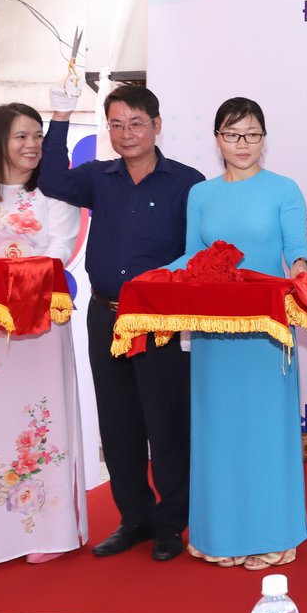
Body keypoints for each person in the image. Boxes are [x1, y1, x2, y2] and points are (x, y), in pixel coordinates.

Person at [41, 84, 203, 562]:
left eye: (136, 123)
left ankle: (172, 523)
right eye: (116, 124)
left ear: (157, 125)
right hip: (106, 315)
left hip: (160, 320)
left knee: (166, 423)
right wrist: (62, 115)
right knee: (118, 423)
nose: (127, 133)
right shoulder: (97, 177)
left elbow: (198, 252)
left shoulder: (188, 183)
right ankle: (135, 518)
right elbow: (51, 179)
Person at [171, 98, 307, 569]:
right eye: (232, 135)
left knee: (266, 433)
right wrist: (148, 280)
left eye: (252, 134)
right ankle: (219, 535)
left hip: (267, 330)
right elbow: (192, 257)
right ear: (217, 140)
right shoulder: (201, 194)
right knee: (219, 432)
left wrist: (298, 272)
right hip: (215, 333)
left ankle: (274, 533)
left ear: (264, 139)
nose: (243, 144)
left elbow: (296, 251)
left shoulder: (284, 189)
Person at [0, 103, 88, 565]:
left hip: (41, 327)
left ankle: (46, 533)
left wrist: (9, 283)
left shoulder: (55, 193)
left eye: (37, 136)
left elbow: (58, 252)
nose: (31, 146)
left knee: (39, 420)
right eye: (20, 137)